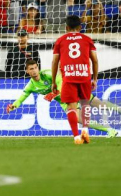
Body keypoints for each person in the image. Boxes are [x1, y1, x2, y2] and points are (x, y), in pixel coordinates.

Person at [6, 60, 121, 137]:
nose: (34, 70)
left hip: (73, 92)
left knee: (101, 105)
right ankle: (109, 130)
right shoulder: (30, 86)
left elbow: (60, 80)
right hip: (64, 102)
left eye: (35, 67)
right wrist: (14, 106)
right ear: (27, 71)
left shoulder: (46, 74)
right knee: (80, 119)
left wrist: (55, 92)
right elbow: (21, 98)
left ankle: (120, 110)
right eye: (31, 69)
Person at [51, 15, 99, 145]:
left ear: (66, 27)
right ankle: (85, 131)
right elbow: (94, 60)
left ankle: (76, 137)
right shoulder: (87, 39)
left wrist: (54, 81)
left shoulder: (60, 40)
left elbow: (55, 61)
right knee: (85, 104)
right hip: (84, 75)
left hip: (69, 76)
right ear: (80, 27)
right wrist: (94, 78)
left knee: (71, 107)